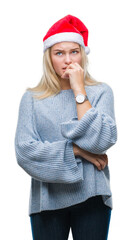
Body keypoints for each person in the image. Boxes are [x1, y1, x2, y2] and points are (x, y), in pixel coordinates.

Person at [14, 14, 117, 240]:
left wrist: (79, 90)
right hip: (47, 201)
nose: (68, 60)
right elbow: (25, 152)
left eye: (74, 52)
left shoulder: (101, 92)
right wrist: (77, 151)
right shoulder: (32, 98)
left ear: (83, 55)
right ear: (49, 58)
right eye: (59, 53)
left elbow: (100, 141)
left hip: (92, 196)